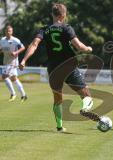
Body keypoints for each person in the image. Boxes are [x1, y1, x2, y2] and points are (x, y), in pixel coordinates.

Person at [19, 3, 98, 132]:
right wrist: (88, 49)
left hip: (53, 69)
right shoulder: (66, 28)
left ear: (53, 15)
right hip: (68, 66)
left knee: (57, 98)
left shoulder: (44, 29)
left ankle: (60, 126)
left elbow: (34, 44)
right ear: (64, 15)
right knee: (86, 94)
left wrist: (23, 60)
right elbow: (79, 46)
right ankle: (85, 109)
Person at [0, 25, 27, 102]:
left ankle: (13, 94)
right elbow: (1, 49)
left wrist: (16, 52)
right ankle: (24, 95)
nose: (8, 32)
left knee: (4, 76)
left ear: (12, 32)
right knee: (14, 79)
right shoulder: (2, 40)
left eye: (10, 31)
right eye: (7, 31)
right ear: (5, 32)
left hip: (13, 62)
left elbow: (23, 47)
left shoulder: (15, 40)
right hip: (6, 62)